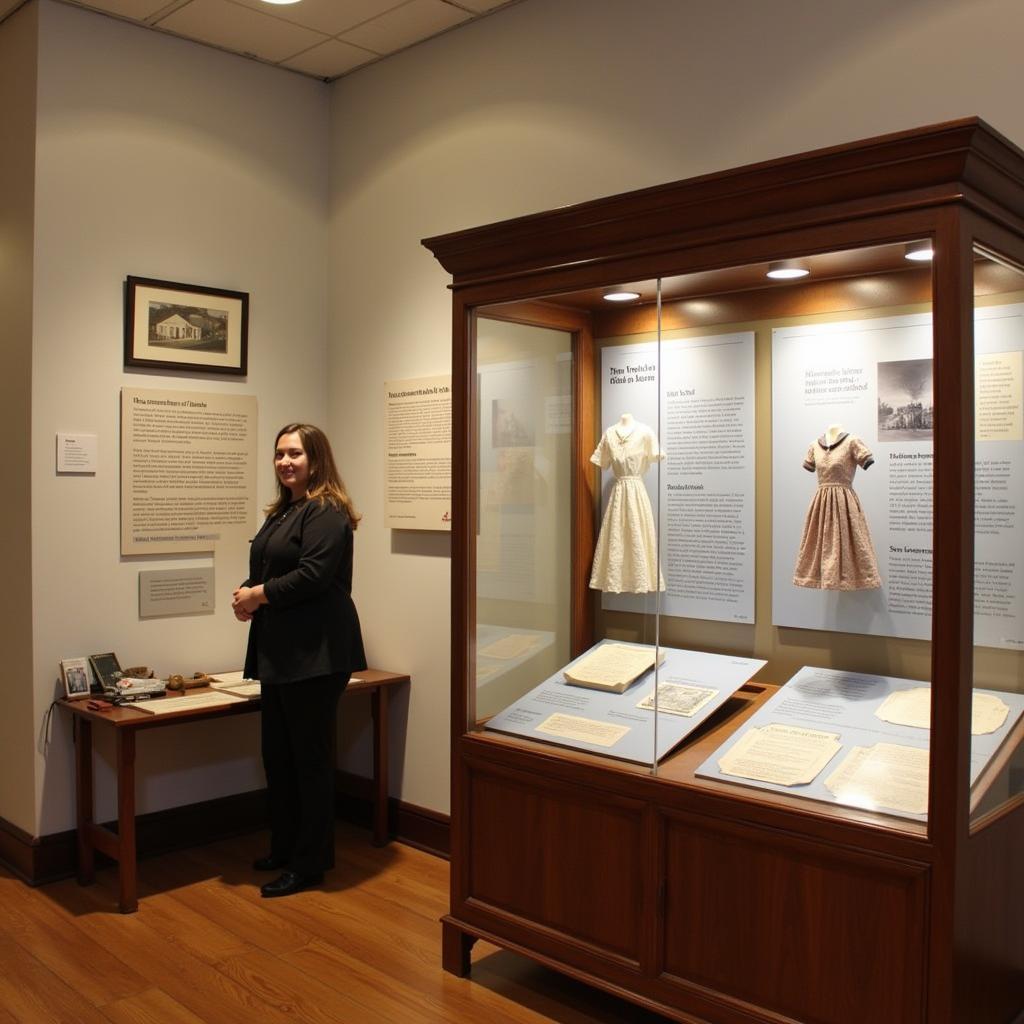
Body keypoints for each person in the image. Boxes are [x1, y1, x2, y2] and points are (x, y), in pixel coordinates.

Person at [232, 423, 366, 898]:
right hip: (281, 651)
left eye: (295, 454)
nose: (285, 462)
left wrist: (258, 595)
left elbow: (312, 575)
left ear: (316, 460)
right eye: (279, 454)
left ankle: (310, 863)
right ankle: (285, 846)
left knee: (308, 760)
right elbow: (270, 567)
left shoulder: (326, 511)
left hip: (316, 652)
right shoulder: (284, 511)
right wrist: (248, 597)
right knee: (279, 756)